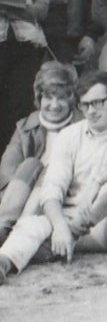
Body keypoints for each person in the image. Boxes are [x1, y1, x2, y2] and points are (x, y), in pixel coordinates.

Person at [0, 72, 107, 285]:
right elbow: (52, 187)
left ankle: (60, 240)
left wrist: (99, 180)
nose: (91, 111)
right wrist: (60, 226)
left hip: (106, 224)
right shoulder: (70, 135)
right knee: (34, 225)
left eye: (98, 103)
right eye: (85, 105)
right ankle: (5, 263)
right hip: (68, 220)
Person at [0, 61, 78, 244]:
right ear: (39, 99)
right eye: (48, 97)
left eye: (61, 98)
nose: (54, 105)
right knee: (31, 164)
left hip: (59, 204)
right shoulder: (26, 127)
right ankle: (3, 229)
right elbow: (7, 171)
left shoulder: (81, 128)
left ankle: (15, 236)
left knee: (51, 171)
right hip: (18, 202)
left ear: (71, 99)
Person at [0, 0, 50, 151]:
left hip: (25, 42)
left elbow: (42, 8)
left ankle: (9, 157)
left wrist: (7, 4)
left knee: (19, 102)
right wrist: (22, 1)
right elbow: (31, 4)